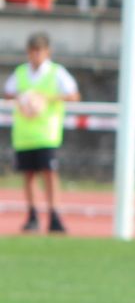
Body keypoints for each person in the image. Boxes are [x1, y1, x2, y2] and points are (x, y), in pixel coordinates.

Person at [5, 33, 81, 233]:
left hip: (47, 134)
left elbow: (74, 95)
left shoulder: (56, 73)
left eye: (40, 51)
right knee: (28, 176)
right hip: (24, 135)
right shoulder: (21, 72)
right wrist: (24, 99)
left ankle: (54, 216)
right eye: (33, 51)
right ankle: (32, 216)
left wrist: (46, 98)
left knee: (50, 175)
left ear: (47, 52)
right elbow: (8, 92)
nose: (36, 55)